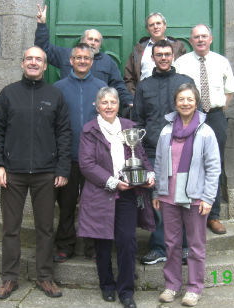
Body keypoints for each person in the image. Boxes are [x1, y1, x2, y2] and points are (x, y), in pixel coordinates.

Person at [0, 46, 72, 299]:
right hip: (12, 174)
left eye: (39, 59)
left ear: (46, 66)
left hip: (47, 173)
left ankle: (45, 277)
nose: (34, 62)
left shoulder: (55, 95)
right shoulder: (8, 94)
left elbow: (64, 134)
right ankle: (9, 278)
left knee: (46, 228)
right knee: (11, 229)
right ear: (22, 63)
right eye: (30, 59)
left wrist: (62, 168)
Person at [78, 87, 155, 308]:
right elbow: (86, 164)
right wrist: (112, 182)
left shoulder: (129, 127)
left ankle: (126, 290)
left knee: (127, 242)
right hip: (101, 193)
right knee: (102, 242)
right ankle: (107, 285)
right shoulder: (89, 130)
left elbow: (140, 156)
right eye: (104, 102)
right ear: (97, 106)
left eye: (113, 102)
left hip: (128, 194)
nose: (109, 106)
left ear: (118, 105)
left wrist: (148, 174)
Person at [153, 83, 221, 307]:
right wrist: (157, 191)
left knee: (195, 245)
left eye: (189, 99)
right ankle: (172, 285)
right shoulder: (166, 130)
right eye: (181, 99)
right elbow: (160, 162)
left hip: (195, 197)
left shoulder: (205, 131)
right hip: (169, 196)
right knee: (171, 243)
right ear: (175, 102)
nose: (185, 103)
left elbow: (213, 167)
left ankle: (194, 288)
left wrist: (208, 198)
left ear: (196, 102)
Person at [133, 39, 195, 266]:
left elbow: (193, 114)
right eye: (159, 54)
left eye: (167, 54)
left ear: (173, 56)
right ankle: (159, 247)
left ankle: (185, 247)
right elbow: (137, 121)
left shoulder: (185, 82)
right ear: (152, 57)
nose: (163, 58)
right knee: (157, 200)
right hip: (151, 151)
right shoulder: (144, 86)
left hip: (181, 149)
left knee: (183, 198)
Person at [175, 24, 234, 235]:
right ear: (190, 41)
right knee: (187, 160)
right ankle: (187, 212)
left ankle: (214, 215)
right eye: (196, 37)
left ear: (210, 39)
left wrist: (216, 110)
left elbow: (229, 91)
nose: (200, 39)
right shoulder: (181, 62)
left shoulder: (221, 61)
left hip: (215, 116)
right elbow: (176, 92)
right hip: (189, 116)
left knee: (215, 163)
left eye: (204, 36)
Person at [52, 42, 106, 262]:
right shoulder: (58, 88)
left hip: (95, 160)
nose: (82, 61)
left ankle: (92, 246)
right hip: (68, 158)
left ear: (92, 61)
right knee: (66, 205)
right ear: (71, 61)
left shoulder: (102, 87)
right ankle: (65, 244)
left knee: (93, 204)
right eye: (78, 58)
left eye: (87, 58)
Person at [34, 4, 133, 110]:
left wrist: (129, 101)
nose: (93, 43)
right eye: (90, 39)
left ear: (100, 44)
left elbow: (118, 84)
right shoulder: (66, 55)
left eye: (96, 40)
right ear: (83, 40)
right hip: (69, 109)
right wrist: (42, 25)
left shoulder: (108, 62)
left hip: (96, 112)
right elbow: (43, 49)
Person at [124, 12, 186, 96]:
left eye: (158, 23)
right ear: (147, 29)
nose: (155, 27)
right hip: (146, 97)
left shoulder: (178, 47)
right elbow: (129, 77)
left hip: (173, 97)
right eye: (151, 25)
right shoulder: (139, 49)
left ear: (165, 26)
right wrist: (135, 97)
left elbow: (185, 73)